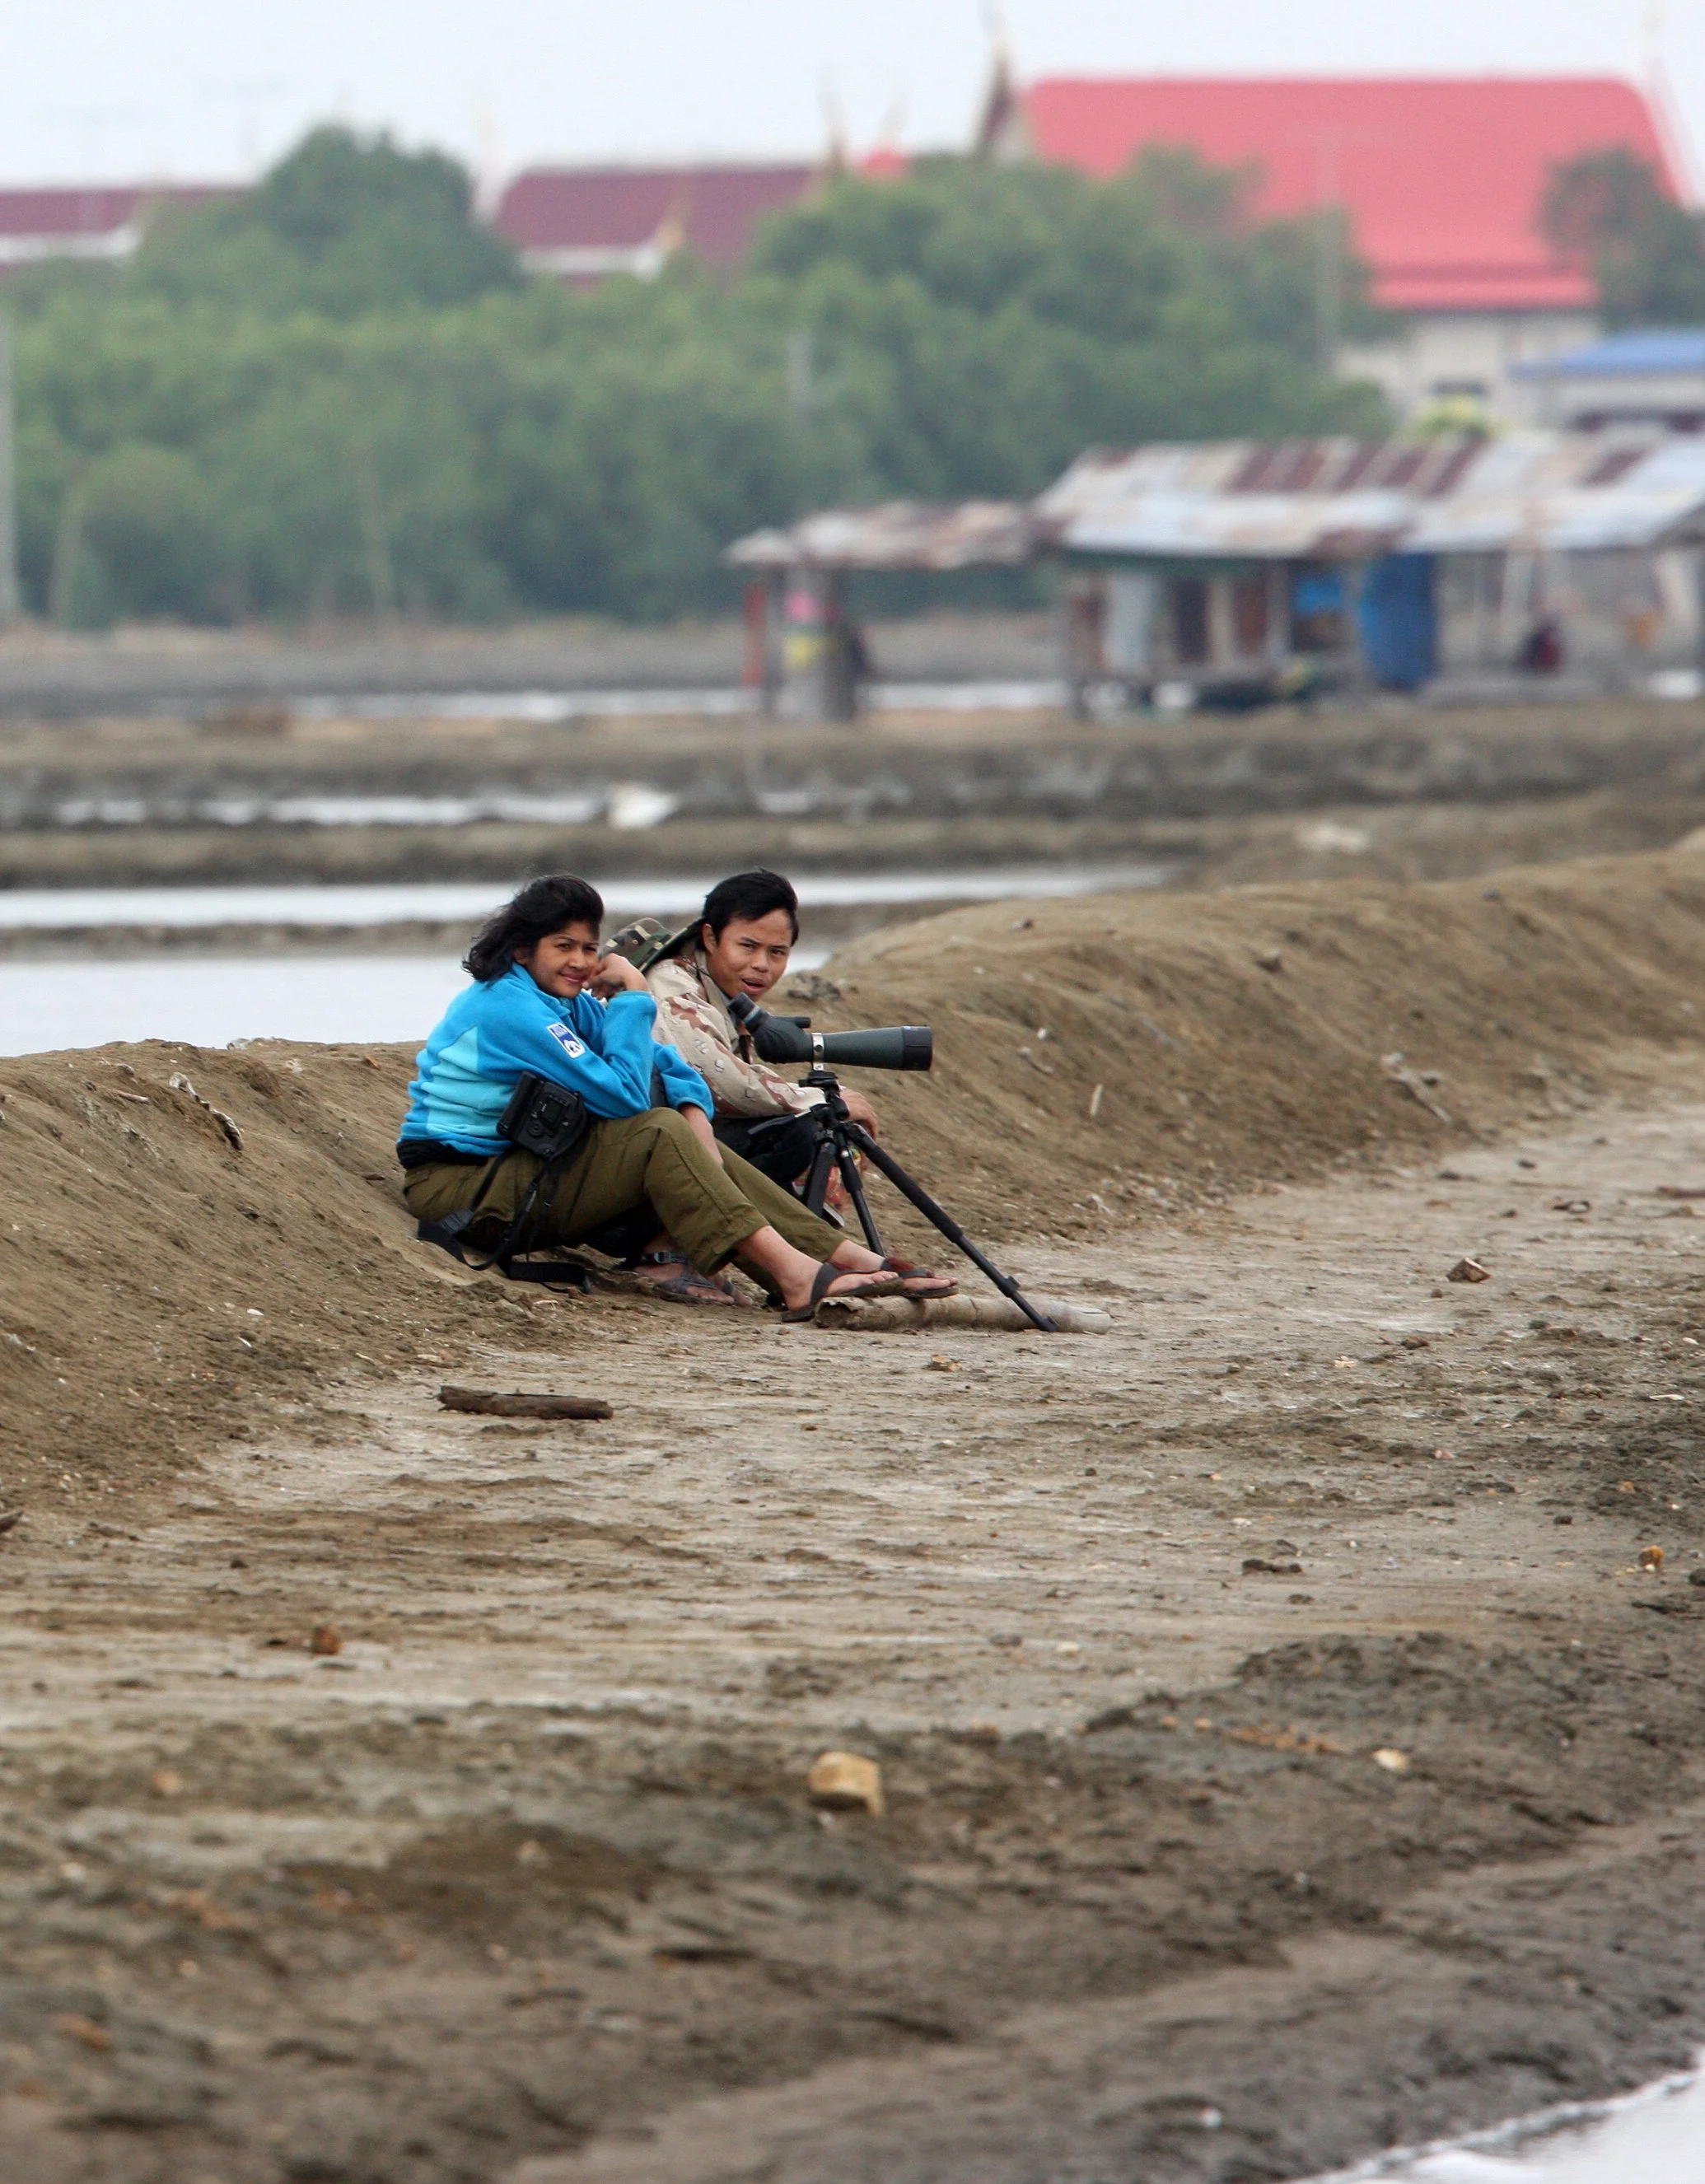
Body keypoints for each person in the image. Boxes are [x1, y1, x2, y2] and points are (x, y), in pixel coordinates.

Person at [396, 873, 954, 1318]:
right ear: (522, 949)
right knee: (655, 1130)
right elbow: (623, 1098)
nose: (581, 962)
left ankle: (839, 1259)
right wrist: (635, 997)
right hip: (461, 1190)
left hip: (518, 1173)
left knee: (682, 1130)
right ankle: (797, 1275)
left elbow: (667, 1061)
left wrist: (696, 1115)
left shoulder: (561, 1001)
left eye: (589, 947)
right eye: (563, 946)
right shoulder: (508, 1007)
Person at [635, 869, 881, 1192]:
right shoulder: (671, 983)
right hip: (642, 1150)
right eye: (748, 946)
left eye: (777, 952)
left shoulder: (722, 990)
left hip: (672, 1138)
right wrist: (823, 1101)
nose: (762, 965)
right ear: (710, 938)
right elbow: (720, 1079)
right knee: (801, 1132)